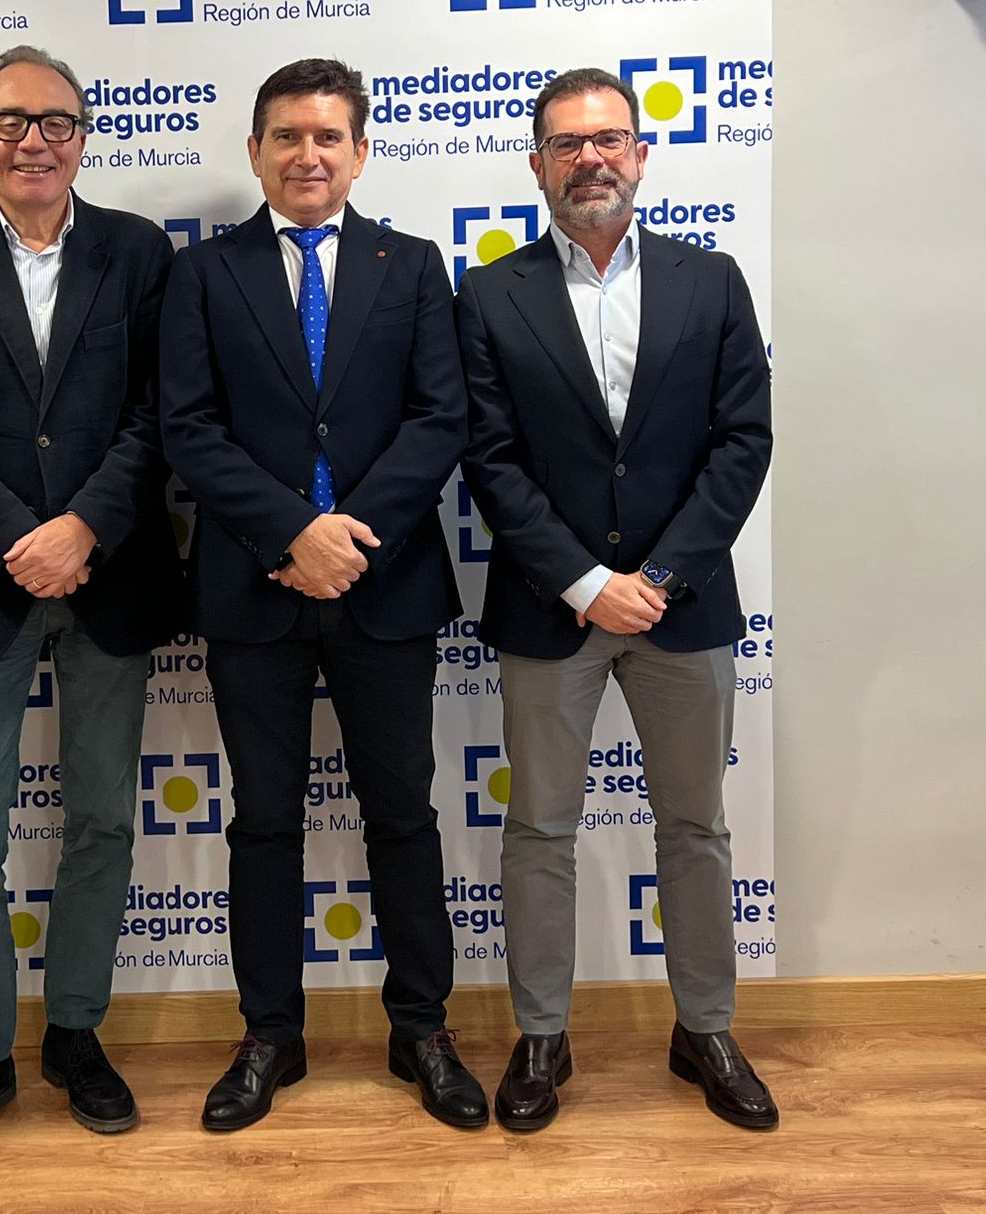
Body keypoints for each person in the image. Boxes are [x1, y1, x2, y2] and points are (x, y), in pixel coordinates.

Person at [159, 58, 483, 1132]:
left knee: (403, 817)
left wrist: (348, 539)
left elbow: (439, 418)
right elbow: (188, 427)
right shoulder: (204, 275)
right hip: (253, 587)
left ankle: (421, 1027)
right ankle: (269, 1035)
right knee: (263, 823)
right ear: (255, 152)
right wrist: (292, 532)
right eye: (287, 137)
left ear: (360, 152)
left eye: (328, 137)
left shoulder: (412, 264)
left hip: (384, 585)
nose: (308, 155)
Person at [456, 66, 776, 1132]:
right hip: (550, 608)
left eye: (607, 140)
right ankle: (541, 1036)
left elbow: (741, 442)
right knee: (539, 829)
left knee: (694, 827)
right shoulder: (487, 294)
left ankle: (705, 1029)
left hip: (683, 608)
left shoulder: (710, 280)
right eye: (566, 143)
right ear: (537, 164)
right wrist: (588, 583)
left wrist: (659, 579)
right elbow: (491, 460)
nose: (589, 158)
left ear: (639, 154)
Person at [0, 44, 180, 1164]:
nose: (33, 141)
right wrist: (20, 538)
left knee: (101, 820)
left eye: (55, 121)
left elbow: (158, 413)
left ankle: (74, 1034)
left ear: (83, 137)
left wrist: (83, 527)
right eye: (8, 122)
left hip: (110, 573)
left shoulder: (137, 252)